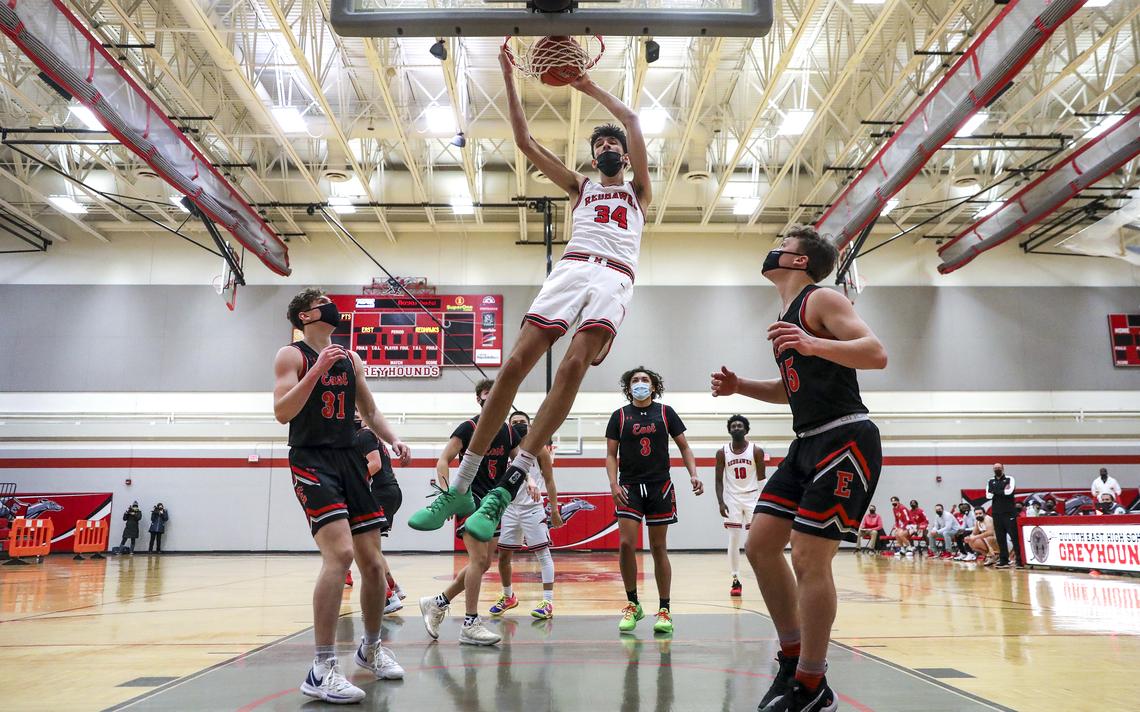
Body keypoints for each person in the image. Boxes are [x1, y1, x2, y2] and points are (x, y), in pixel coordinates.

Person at [406, 50, 651, 543]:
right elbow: (523, 140)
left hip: (613, 277)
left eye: (611, 145)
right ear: (593, 155)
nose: (605, 147)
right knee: (515, 363)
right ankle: (462, 484)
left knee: (572, 368)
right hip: (572, 268)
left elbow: (629, 117)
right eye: (598, 143)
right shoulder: (580, 188)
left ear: (623, 156)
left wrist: (585, 86)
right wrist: (506, 75)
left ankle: (508, 484)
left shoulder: (638, 192)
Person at [711, 225, 887, 712]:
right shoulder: (788, 314)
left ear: (798, 262)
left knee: (809, 558)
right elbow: (792, 388)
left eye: (783, 245)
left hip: (845, 436)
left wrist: (813, 345)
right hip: (806, 441)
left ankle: (813, 684)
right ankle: (791, 658)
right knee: (761, 545)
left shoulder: (822, 299)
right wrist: (740, 385)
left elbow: (876, 353)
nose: (773, 249)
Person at [273, 288, 411, 703]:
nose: (332, 307)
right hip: (312, 459)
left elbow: (368, 411)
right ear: (305, 316)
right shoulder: (291, 355)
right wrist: (316, 372)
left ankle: (370, 649)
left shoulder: (351, 359)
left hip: (350, 457)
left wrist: (393, 439)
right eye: (323, 302)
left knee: (374, 561)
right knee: (340, 555)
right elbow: (282, 412)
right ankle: (321, 667)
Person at [418, 380, 534, 646]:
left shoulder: (507, 431)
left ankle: (437, 603)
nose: (492, 395)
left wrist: (529, 480)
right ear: (479, 398)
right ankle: (470, 622)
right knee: (479, 560)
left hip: (495, 502)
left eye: (498, 391)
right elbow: (443, 460)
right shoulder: (468, 427)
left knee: (481, 564)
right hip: (471, 499)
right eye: (487, 392)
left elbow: (520, 462)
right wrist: (448, 496)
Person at [608, 367, 703, 634]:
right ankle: (633, 603)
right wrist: (613, 484)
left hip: (659, 485)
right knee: (626, 544)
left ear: (653, 385)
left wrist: (694, 474)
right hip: (629, 485)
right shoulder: (619, 416)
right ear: (628, 387)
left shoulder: (665, 412)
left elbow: (684, 446)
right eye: (635, 380)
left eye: (645, 380)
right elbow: (610, 455)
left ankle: (664, 610)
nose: (640, 383)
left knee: (658, 547)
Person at [490, 410, 563, 620]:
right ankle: (508, 596)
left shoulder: (539, 449)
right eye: (515, 422)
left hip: (532, 508)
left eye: (523, 422)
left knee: (543, 555)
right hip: (510, 508)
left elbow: (549, 481)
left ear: (530, 425)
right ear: (509, 427)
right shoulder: (504, 450)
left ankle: (548, 601)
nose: (519, 424)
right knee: (503, 556)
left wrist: (555, 509)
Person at [351, 416, 406, 614]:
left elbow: (375, 464)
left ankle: (387, 597)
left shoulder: (364, 435)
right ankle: (393, 588)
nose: (355, 414)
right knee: (372, 547)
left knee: (365, 548)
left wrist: (352, 480)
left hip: (380, 493)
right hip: (389, 492)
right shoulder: (371, 435)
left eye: (358, 410)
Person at [714, 414, 766, 596]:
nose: (736, 428)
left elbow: (761, 479)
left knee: (757, 541)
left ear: (746, 430)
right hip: (732, 499)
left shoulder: (756, 450)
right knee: (734, 540)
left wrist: (763, 503)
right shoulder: (722, 452)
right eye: (733, 426)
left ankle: (764, 578)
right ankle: (735, 580)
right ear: (729, 430)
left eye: (740, 426)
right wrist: (721, 502)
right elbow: (718, 481)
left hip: (753, 498)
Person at [987, 463, 1019, 569]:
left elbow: (1009, 492)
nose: (997, 469)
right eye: (995, 468)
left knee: (1015, 537)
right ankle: (1004, 561)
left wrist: (995, 491)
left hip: (1009, 513)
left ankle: (1019, 560)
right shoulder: (990, 481)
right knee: (1000, 538)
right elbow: (988, 495)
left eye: (999, 468)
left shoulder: (1010, 479)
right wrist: (1002, 491)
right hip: (996, 513)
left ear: (1003, 469)